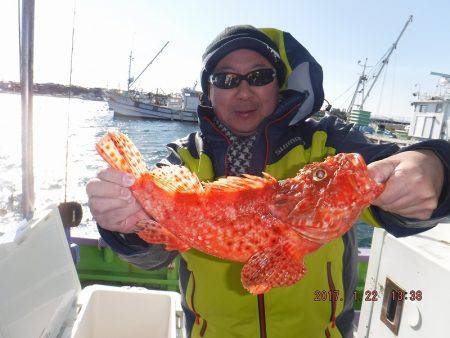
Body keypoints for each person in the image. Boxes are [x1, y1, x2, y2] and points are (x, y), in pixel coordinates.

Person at [86, 25, 450, 338]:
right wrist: (122, 226)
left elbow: (395, 180)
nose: (243, 91)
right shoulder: (184, 161)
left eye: (259, 76)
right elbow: (152, 255)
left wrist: (433, 167)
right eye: (226, 80)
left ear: (280, 84)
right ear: (208, 94)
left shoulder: (328, 145)